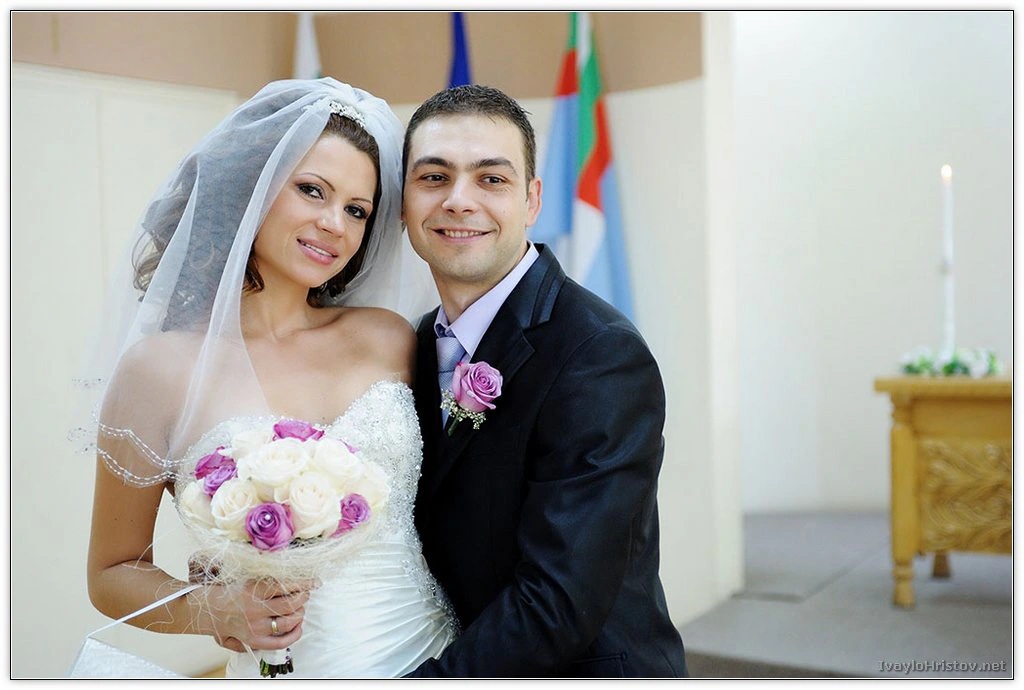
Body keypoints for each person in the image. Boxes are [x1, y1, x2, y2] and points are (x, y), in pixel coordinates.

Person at [80, 78, 456, 678]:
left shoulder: (388, 339)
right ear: (249, 189)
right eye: (312, 190)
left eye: (357, 210)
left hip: (430, 658)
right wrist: (211, 607)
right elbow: (111, 572)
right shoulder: (158, 370)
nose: (334, 224)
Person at [402, 84, 688, 677]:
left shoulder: (600, 353)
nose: (458, 200)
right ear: (404, 200)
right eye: (433, 177)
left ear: (532, 200)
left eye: (491, 179)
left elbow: (558, 599)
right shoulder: (415, 341)